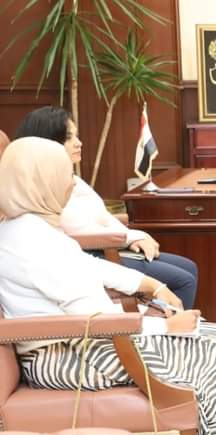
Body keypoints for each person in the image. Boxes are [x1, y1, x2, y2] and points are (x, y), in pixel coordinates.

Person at [0, 137, 216, 435]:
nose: (71, 183)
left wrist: (149, 285)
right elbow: (92, 315)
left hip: (84, 343)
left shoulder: (28, 228)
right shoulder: (30, 241)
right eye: (64, 175)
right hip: (73, 355)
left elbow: (89, 269)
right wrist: (162, 324)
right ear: (38, 181)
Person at [14, 106, 199, 310]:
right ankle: (174, 327)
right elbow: (76, 227)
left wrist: (133, 237)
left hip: (108, 245)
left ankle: (171, 320)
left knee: (189, 268)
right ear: (47, 143)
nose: (79, 143)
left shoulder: (71, 177)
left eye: (76, 135)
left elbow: (102, 216)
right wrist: (128, 239)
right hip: (92, 253)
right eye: (69, 137)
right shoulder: (44, 186)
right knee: (183, 280)